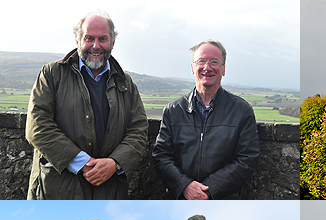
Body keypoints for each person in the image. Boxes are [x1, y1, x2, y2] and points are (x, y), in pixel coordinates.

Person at [26, 12, 148, 199]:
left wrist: (114, 163)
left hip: (109, 191)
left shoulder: (126, 84)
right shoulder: (52, 74)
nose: (96, 46)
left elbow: (139, 130)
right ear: (77, 39)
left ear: (112, 42)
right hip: (58, 191)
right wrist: (82, 162)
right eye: (89, 38)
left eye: (102, 39)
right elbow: (37, 126)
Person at [153, 39, 260, 199]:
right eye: (201, 61)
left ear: (223, 69)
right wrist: (185, 185)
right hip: (182, 200)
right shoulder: (173, 110)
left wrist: (209, 190)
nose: (207, 67)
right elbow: (161, 155)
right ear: (192, 67)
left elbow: (247, 159)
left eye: (214, 62)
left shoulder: (242, 111)